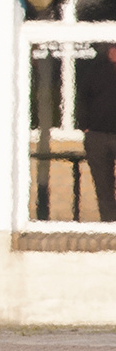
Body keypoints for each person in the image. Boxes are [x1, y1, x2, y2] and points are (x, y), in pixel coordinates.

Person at [78, 44, 116, 222]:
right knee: (103, 183)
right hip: (97, 135)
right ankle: (109, 223)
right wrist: (84, 125)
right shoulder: (95, 72)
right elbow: (82, 98)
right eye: (113, 48)